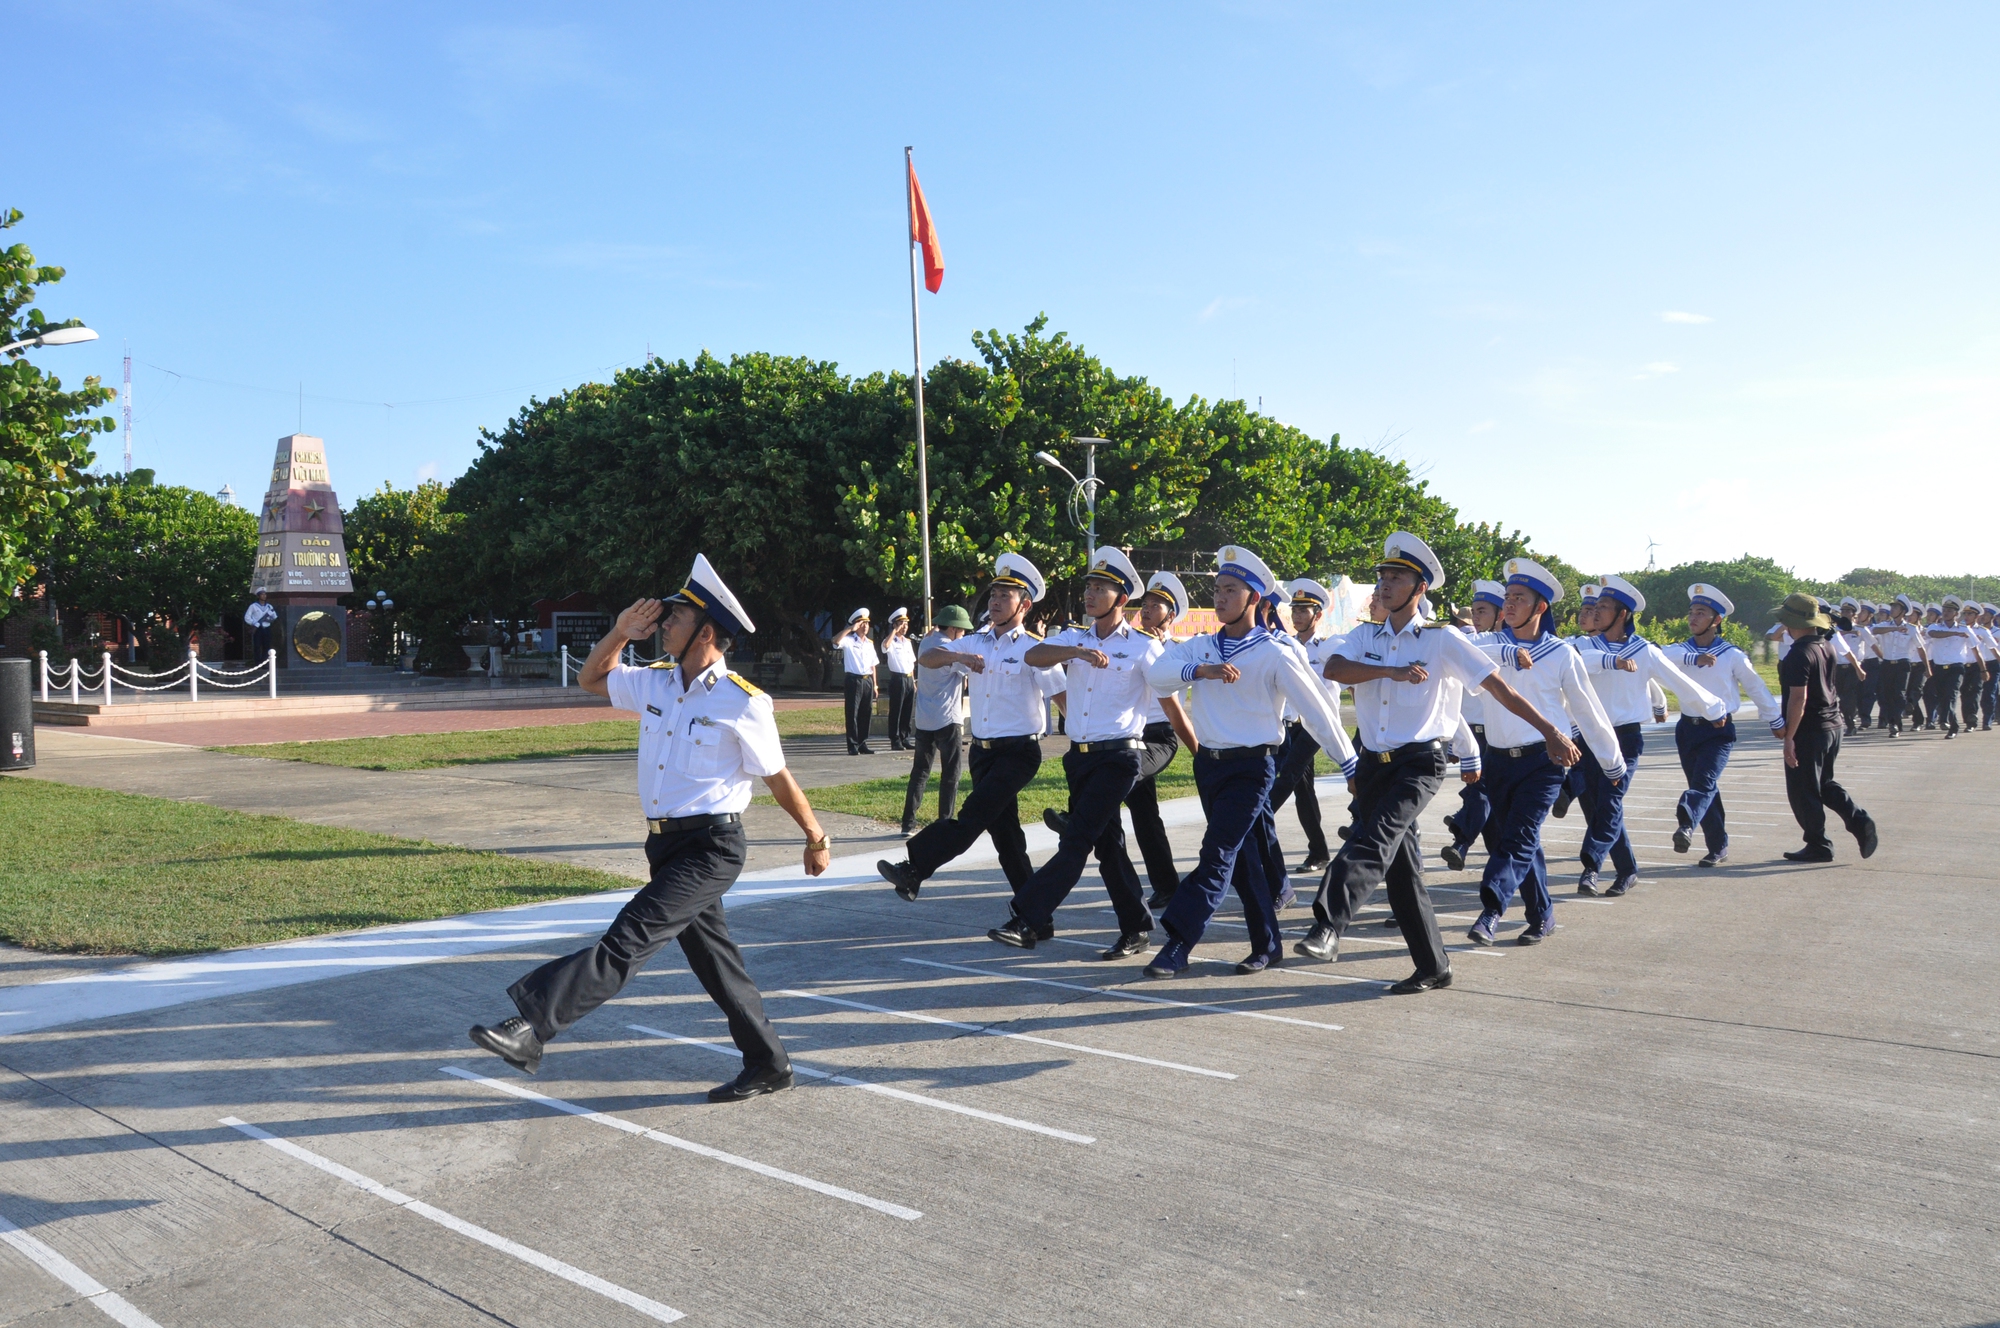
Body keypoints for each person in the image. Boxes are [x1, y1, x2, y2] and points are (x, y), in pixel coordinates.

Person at [469, 555, 831, 1101]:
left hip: (713, 847)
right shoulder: (656, 683)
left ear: (706, 632)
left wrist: (815, 835)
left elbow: (778, 777)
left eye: (675, 619)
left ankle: (533, 1028)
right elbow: (592, 678)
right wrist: (618, 632)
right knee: (717, 964)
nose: (663, 624)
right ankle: (769, 1064)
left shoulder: (743, 702)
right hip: (664, 844)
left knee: (629, 938)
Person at [1299, 535, 1574, 990]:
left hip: (1418, 763)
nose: (1385, 585)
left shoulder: (1441, 639)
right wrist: (1391, 671)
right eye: (1384, 577)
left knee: (1374, 836)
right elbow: (1334, 669)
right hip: (1372, 765)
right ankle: (1434, 965)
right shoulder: (1363, 635)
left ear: (1420, 588)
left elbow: (1499, 688)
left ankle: (1329, 924)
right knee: (1403, 872)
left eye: (1397, 578)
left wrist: (1551, 731)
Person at [1136, 545, 1355, 978]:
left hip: (1252, 769)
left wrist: (1351, 766)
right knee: (1246, 859)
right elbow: (1156, 675)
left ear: (1254, 598)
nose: (1219, 598)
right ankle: (1268, 946)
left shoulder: (1275, 652)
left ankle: (1178, 942)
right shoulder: (1199, 647)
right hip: (1209, 766)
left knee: (1216, 853)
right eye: (1217, 589)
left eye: (1230, 590)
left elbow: (1318, 711)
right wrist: (1200, 672)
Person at [991, 548, 1164, 960]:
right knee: (1109, 847)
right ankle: (1136, 927)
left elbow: (1171, 696)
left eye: (1100, 588)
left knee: (1077, 840)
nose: (1090, 593)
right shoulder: (1074, 637)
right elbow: (1032, 654)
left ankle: (1027, 917)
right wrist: (1077, 653)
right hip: (1079, 758)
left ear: (1121, 600)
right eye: (1088, 586)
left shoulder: (1143, 647)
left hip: (1120, 758)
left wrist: (1194, 745)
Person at [1458, 559, 1625, 947]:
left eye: (1520, 598)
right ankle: (1542, 914)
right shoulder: (1489, 645)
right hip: (1497, 760)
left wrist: (1612, 761)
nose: (1510, 604)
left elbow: (1587, 709)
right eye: (1508, 597)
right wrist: (1506, 655)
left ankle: (1491, 910)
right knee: (1521, 841)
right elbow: (1459, 651)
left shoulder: (1561, 653)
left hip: (1544, 762)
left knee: (1517, 837)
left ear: (1540, 608)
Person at [878, 554, 1061, 902]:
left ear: (1024, 605)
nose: (994, 601)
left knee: (971, 817)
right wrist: (957, 657)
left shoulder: (1034, 649)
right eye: (993, 594)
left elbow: (1061, 696)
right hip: (982, 752)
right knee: (1006, 838)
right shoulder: (974, 642)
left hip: (1019, 753)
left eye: (1004, 596)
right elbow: (926, 658)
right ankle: (1035, 910)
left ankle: (915, 868)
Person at [1045, 570, 1198, 910]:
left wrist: (1200, 755)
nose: (1148, 611)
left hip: (1156, 740)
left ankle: (1078, 816)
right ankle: (1166, 887)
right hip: (1125, 737)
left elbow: (1178, 705)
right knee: (1143, 817)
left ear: (1171, 616)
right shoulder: (1124, 641)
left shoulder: (1172, 650)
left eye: (1157, 607)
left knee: (1112, 784)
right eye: (1146, 605)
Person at [1570, 575, 1727, 897]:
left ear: (1622, 614)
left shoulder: (1644, 651)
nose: (1595, 612)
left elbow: (1681, 683)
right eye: (1595, 606)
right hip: (1587, 738)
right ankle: (1627, 870)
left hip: (1625, 740)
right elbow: (1577, 663)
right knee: (1597, 808)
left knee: (1610, 801)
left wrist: (1714, 709)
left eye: (1604, 607)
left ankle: (1591, 867)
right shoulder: (1584, 645)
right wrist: (1610, 660)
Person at [1668, 584, 1783, 868]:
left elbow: (1756, 687)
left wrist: (1776, 719)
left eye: (1701, 613)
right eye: (1691, 612)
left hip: (1718, 731)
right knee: (1706, 789)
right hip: (1687, 729)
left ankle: (1685, 823)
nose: (1693, 618)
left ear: (1716, 620)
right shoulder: (1681, 651)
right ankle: (1718, 846)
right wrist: (1693, 658)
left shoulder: (1732, 654)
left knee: (1703, 783)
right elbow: (1657, 656)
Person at [1775, 593, 1879, 863]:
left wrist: (1789, 737)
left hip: (1809, 729)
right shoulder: (1825, 645)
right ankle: (1859, 821)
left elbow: (1799, 698)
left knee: (1803, 790)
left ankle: (1818, 844)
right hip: (1832, 725)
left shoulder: (1799, 653)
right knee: (1824, 784)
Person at [1268, 578, 1339, 875]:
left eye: (1304, 610)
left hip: (1314, 726)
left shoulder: (1327, 648)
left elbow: (1331, 690)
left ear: (1318, 615)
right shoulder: (1285, 645)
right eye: (1294, 610)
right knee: (1303, 789)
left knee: (1286, 777)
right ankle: (1319, 851)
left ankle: (1252, 826)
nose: (1297, 615)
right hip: (1290, 726)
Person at [1440, 579, 1504, 872]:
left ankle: (1462, 838)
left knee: (1483, 795)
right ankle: (1475, 847)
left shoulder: (1514, 644)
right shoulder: (1468, 642)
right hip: (1472, 733)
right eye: (1474, 611)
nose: (1474, 618)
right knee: (1483, 795)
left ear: (1500, 614)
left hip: (1501, 736)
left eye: (1482, 611)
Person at [900, 605, 974, 836]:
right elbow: (969, 670)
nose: (963, 634)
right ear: (952, 628)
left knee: (920, 772)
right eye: (961, 630)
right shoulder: (951, 649)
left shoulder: (926, 643)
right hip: (948, 718)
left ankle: (908, 823)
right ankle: (944, 822)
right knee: (951, 774)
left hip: (924, 718)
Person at [1923, 595, 1987, 738]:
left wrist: (1983, 669)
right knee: (1942, 697)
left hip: (1956, 668)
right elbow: (1933, 634)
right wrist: (1955, 633)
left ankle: (1953, 727)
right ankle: (1951, 721)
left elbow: (1976, 650)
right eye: (1944, 610)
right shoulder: (1935, 627)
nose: (1946, 613)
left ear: (1956, 614)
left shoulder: (1965, 630)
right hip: (1939, 668)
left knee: (1951, 695)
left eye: (1949, 611)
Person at [1869, 595, 1927, 738]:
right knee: (1886, 695)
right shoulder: (1885, 626)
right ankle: (1892, 721)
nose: (1892, 609)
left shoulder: (1911, 629)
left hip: (1903, 663)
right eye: (1892, 607)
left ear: (1903, 611)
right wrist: (1894, 629)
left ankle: (1895, 724)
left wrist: (1927, 668)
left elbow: (1921, 648)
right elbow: (1874, 631)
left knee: (1899, 694)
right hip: (1887, 663)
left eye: (1895, 608)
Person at [833, 608, 880, 755]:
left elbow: (873, 664)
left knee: (866, 712)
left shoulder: (869, 643)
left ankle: (862, 742)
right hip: (853, 680)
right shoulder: (848, 640)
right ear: (856, 625)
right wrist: (849, 629)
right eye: (862, 623)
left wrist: (875, 684)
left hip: (867, 680)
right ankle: (852, 744)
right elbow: (834, 641)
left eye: (867, 623)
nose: (865, 626)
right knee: (852, 712)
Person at [881, 607, 917, 750]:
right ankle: (895, 740)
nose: (905, 627)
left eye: (906, 624)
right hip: (897, 679)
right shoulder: (891, 641)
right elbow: (885, 646)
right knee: (896, 710)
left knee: (907, 711)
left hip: (908, 679)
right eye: (902, 624)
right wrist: (895, 631)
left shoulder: (907, 642)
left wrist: (913, 681)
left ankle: (905, 737)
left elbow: (911, 663)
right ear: (895, 625)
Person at [245, 591, 278, 658]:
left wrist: (268, 620)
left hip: (266, 628)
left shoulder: (269, 606)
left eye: (265, 594)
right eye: (262, 594)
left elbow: (275, 617)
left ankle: (265, 663)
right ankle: (258, 663)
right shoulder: (253, 606)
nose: (264, 596)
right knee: (257, 646)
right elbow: (247, 617)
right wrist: (254, 623)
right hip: (258, 629)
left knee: (266, 646)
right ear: (258, 596)